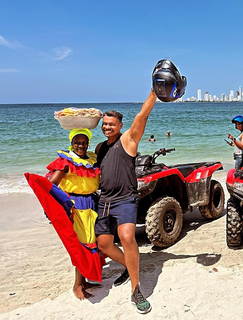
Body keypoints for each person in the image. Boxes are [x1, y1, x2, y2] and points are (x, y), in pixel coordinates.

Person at [94, 59, 186, 314]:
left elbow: (142, 114)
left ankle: (136, 290)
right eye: (104, 124)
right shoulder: (100, 148)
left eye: (111, 124)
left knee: (126, 238)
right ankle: (130, 265)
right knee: (104, 244)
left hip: (125, 199)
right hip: (105, 201)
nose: (107, 127)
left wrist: (155, 89)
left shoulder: (128, 139)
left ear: (120, 126)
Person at [46, 128, 100, 300]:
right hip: (77, 207)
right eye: (77, 142)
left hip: (92, 203)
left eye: (84, 142)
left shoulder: (92, 160)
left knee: (92, 243)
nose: (80, 145)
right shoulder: (66, 161)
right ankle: (77, 285)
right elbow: (51, 186)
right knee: (82, 245)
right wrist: (61, 205)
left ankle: (84, 280)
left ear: (88, 144)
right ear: (72, 143)